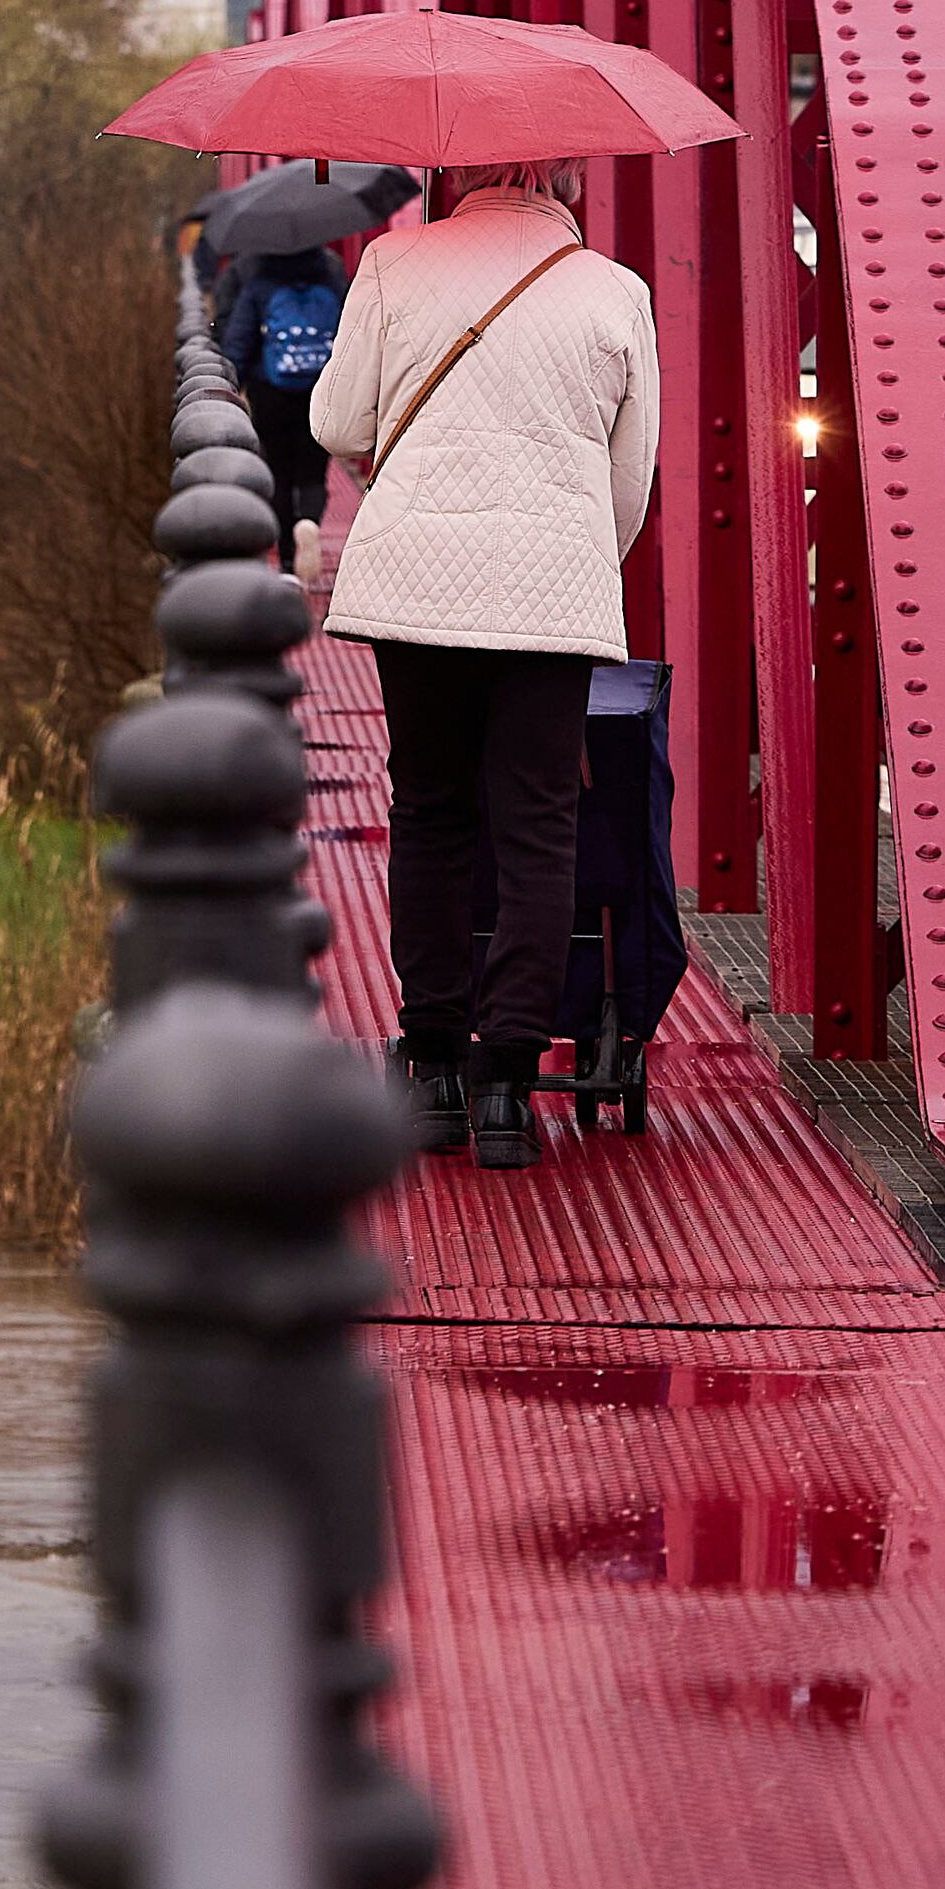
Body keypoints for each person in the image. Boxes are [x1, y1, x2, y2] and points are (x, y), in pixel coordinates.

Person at [306, 158, 657, 1171]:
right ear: (564, 184)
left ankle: (430, 1074)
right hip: (550, 593)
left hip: (417, 583)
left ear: (455, 175)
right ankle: (507, 1084)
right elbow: (625, 483)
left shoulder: (393, 260)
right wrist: (575, 559)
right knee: (537, 827)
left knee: (428, 812)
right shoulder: (610, 290)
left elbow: (336, 424)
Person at [208, 235, 346, 563]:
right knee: (314, 471)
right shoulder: (331, 272)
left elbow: (239, 340)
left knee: (279, 473)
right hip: (319, 388)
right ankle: (309, 521)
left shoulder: (257, 278)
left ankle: (286, 557)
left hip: (270, 390)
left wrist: (231, 385)